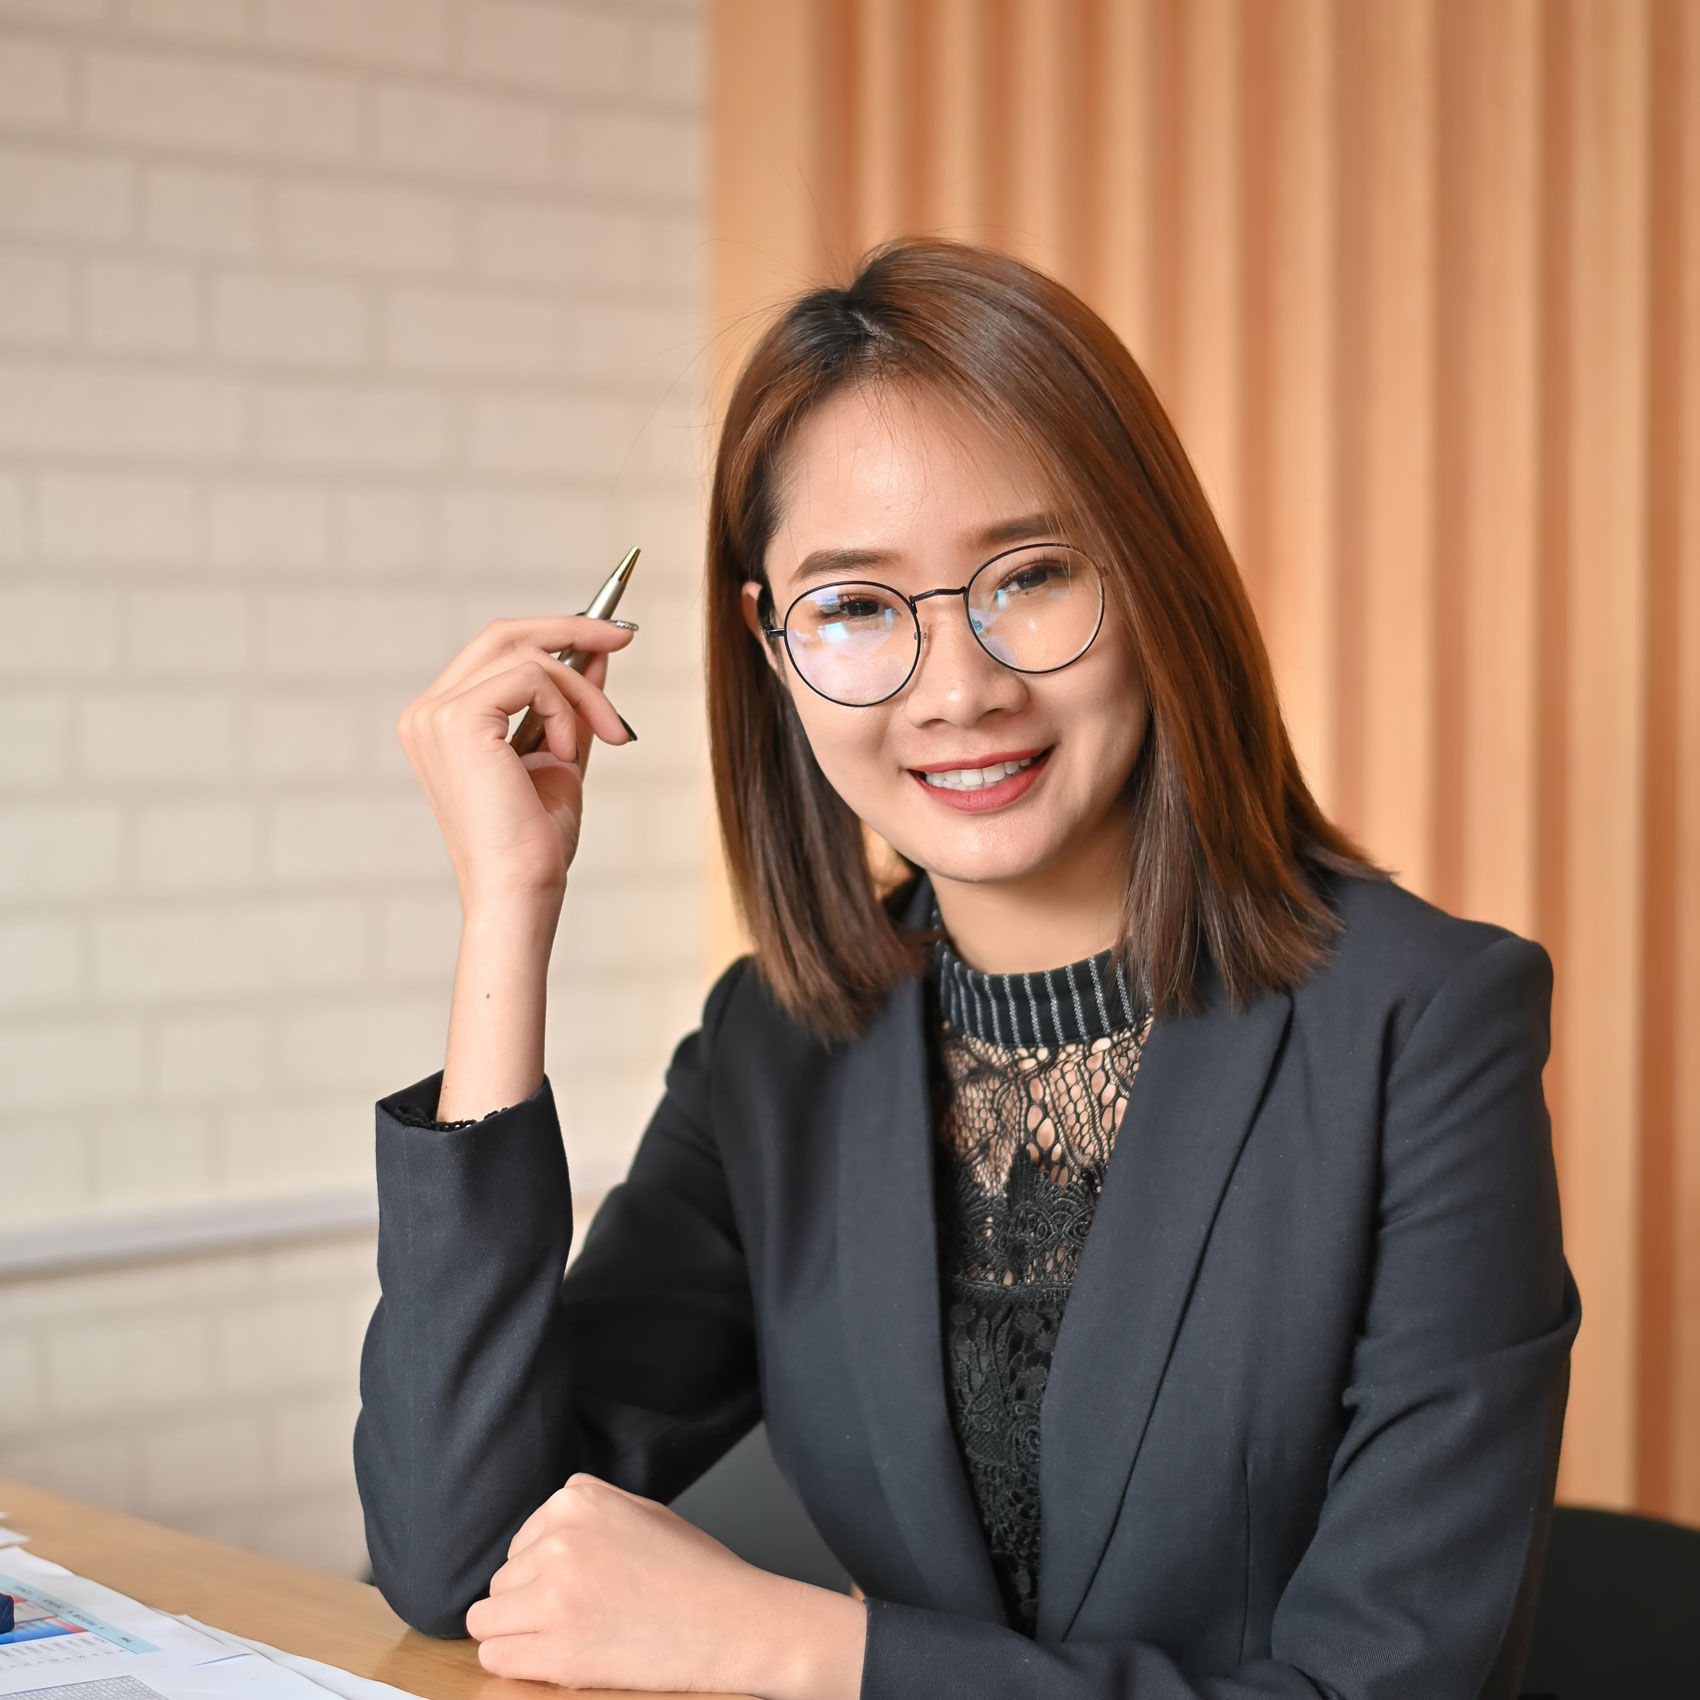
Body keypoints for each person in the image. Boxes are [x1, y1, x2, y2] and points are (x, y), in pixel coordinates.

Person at [355, 240, 1578, 1700]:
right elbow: (461, 1561)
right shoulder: (779, 1045)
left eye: (1036, 574)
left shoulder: (1423, 1024)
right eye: (858, 606)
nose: (960, 689)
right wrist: (509, 909)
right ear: (773, 644)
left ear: (1154, 579)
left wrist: (808, 1651)